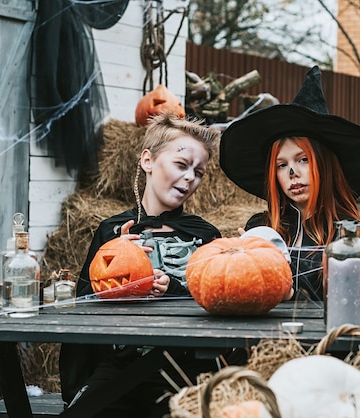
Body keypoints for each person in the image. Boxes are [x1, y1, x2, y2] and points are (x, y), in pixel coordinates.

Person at [60, 113, 236, 418]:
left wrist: (175, 288)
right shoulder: (112, 229)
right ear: (148, 161)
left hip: (185, 368)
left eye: (199, 172)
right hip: (121, 364)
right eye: (181, 165)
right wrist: (114, 262)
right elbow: (83, 302)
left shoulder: (205, 234)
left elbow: (218, 301)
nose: (190, 178)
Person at [219, 66, 360, 302]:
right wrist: (242, 259)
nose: (293, 172)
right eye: (281, 165)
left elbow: (353, 299)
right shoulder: (261, 227)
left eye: (303, 159)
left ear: (325, 166)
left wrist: (290, 290)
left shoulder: (349, 235)